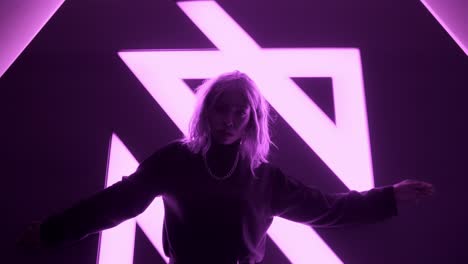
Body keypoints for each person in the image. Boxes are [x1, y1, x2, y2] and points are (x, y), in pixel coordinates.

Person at [17, 71, 434, 264]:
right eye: (222, 109)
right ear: (208, 112)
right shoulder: (174, 160)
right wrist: (52, 231)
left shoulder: (263, 178)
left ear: (252, 119)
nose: (230, 120)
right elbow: (115, 203)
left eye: (241, 112)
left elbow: (327, 208)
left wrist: (389, 197)